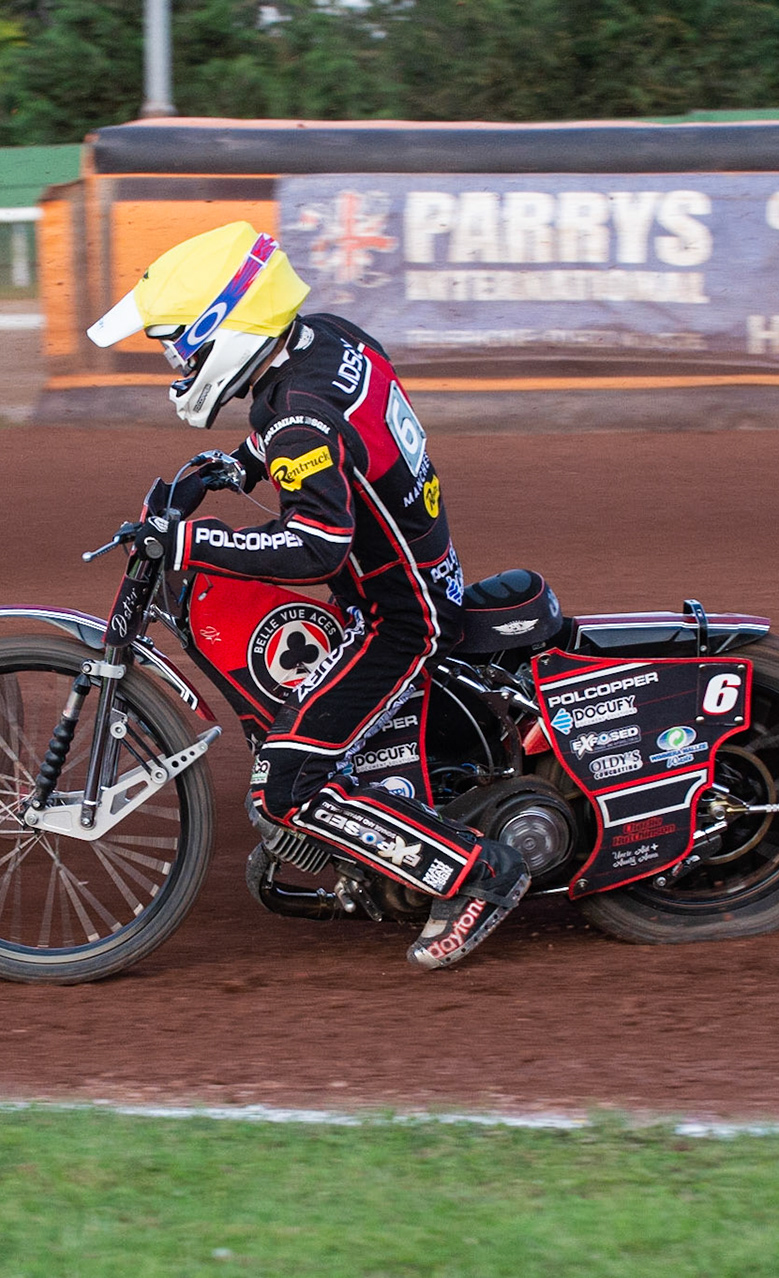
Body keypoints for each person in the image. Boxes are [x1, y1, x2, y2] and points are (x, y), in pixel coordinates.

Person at [86, 221, 529, 970]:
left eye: (181, 343)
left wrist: (191, 542)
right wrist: (235, 468)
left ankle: (476, 873)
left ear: (229, 327)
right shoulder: (326, 341)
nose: (176, 361)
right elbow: (328, 435)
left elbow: (315, 544)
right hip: (411, 579)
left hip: (402, 618)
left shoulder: (298, 417)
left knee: (288, 785)